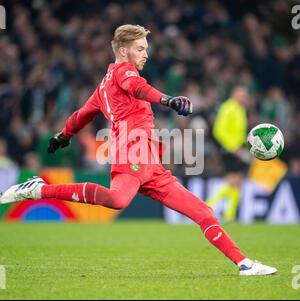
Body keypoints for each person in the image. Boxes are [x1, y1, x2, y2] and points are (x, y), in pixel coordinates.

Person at [0, 25, 276, 276]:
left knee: (203, 212)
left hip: (151, 164)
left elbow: (81, 115)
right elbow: (138, 87)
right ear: (123, 51)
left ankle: (244, 263)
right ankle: (39, 189)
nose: (146, 54)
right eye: (140, 49)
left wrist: (63, 135)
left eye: (146, 48)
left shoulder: (103, 87)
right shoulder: (124, 71)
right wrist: (167, 100)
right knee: (118, 200)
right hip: (131, 151)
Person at [206, 86, 251, 222]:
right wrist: (233, 148)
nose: (243, 98)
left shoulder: (240, 109)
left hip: (238, 149)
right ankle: (207, 206)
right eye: (241, 95)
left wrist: (245, 146)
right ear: (234, 94)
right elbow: (219, 131)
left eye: (245, 96)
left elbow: (239, 132)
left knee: (237, 182)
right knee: (233, 180)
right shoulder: (228, 108)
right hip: (229, 149)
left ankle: (229, 216)